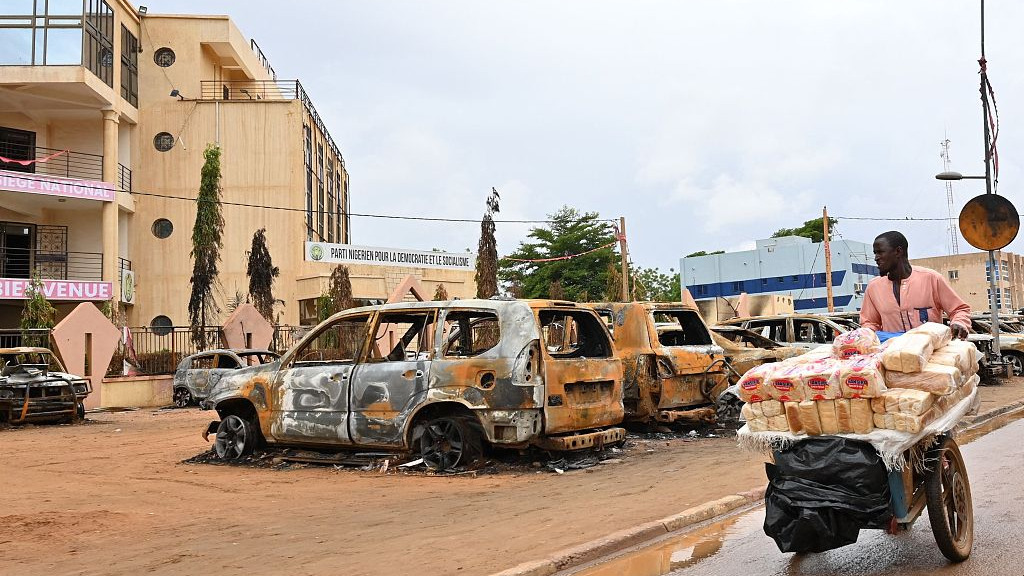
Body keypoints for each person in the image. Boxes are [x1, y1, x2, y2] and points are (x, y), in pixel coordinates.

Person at [859, 231, 971, 338]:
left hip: (932, 354)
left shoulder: (931, 278)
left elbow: (959, 310)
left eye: (880, 252)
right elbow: (869, 323)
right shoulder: (873, 288)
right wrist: (867, 335)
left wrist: (959, 323)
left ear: (898, 251)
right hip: (893, 354)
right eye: (875, 253)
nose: (876, 258)